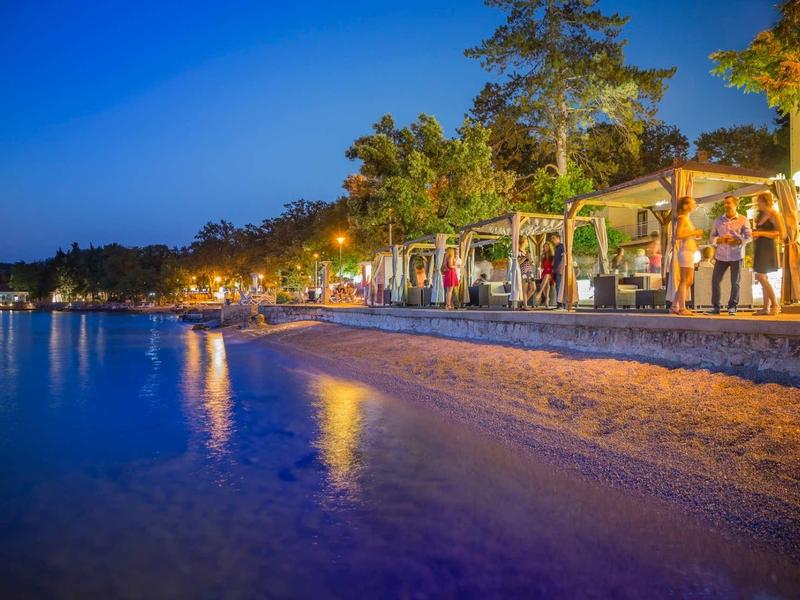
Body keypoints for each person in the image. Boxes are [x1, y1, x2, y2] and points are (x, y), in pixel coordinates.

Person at [708, 195, 753, 316]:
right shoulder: (718, 220)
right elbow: (711, 237)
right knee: (715, 280)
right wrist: (719, 240)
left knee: (735, 282)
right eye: (725, 203)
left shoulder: (743, 219)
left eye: (728, 203)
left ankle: (732, 306)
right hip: (721, 256)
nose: (726, 205)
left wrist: (738, 241)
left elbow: (749, 237)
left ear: (735, 205)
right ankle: (715, 307)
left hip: (736, 255)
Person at [752, 192, 785, 316]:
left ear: (765, 201)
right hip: (760, 246)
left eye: (759, 201)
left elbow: (779, 233)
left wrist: (761, 234)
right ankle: (766, 308)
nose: (757, 204)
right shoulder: (760, 215)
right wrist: (756, 234)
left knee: (760, 276)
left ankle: (775, 304)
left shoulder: (773, 214)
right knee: (763, 277)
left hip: (768, 247)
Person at [671, 196, 703, 316]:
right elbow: (678, 235)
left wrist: (694, 236)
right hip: (685, 252)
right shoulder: (682, 218)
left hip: (689, 252)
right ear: (685, 206)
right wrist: (694, 232)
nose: (694, 205)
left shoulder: (687, 219)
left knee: (688, 281)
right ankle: (682, 308)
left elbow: (685, 234)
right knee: (685, 280)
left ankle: (674, 305)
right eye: (692, 203)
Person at [518, 237, 537, 310]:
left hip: (529, 270)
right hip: (523, 271)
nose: (527, 242)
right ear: (523, 241)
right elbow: (518, 263)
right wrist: (525, 257)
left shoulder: (526, 251)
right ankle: (525, 306)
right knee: (525, 289)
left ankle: (523, 303)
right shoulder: (519, 251)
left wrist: (531, 261)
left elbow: (529, 262)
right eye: (526, 241)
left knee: (533, 288)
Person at [551, 233, 565, 308]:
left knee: (559, 286)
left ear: (558, 238)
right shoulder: (556, 248)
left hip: (559, 269)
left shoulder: (561, 246)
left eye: (554, 238)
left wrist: (560, 267)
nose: (552, 240)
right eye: (552, 239)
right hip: (556, 270)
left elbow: (563, 257)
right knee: (557, 286)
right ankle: (559, 302)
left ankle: (560, 303)